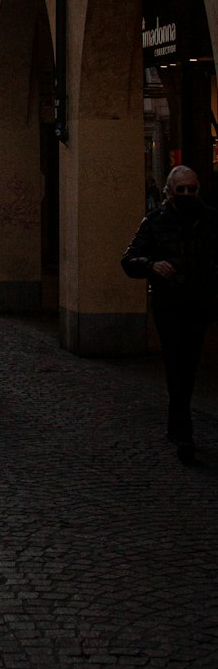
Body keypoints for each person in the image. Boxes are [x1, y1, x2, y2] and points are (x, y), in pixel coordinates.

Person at [122, 164, 218, 463]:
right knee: (177, 363)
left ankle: (177, 422)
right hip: (169, 305)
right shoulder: (154, 222)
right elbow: (129, 259)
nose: (187, 194)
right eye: (182, 189)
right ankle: (182, 428)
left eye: (192, 189)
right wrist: (151, 265)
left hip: (199, 303)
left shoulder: (210, 220)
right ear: (169, 191)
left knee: (188, 363)